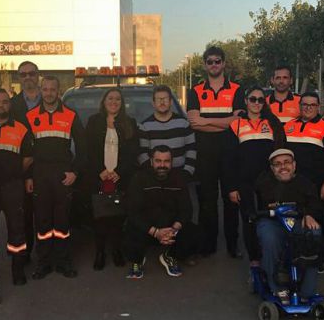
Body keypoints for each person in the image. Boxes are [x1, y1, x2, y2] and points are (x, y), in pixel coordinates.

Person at [25, 75, 86, 279]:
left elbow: (84, 147)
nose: (49, 93)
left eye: (53, 89)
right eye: (45, 89)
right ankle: (43, 262)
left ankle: (63, 261)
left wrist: (75, 172)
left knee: (62, 222)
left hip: (63, 174)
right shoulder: (30, 116)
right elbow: (25, 151)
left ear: (58, 91)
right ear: (41, 90)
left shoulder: (70, 115)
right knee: (42, 222)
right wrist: (28, 177)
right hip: (40, 174)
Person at [186, 45, 245, 257]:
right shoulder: (195, 91)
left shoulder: (238, 90)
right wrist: (224, 121)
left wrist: (206, 120)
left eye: (217, 61)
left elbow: (238, 121)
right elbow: (194, 124)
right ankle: (208, 244)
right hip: (205, 155)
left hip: (230, 153)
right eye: (210, 61)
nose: (214, 64)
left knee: (232, 200)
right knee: (206, 201)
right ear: (205, 65)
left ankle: (232, 245)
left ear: (223, 63)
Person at [222, 85, 285, 268]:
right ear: (246, 101)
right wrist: (232, 188)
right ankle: (255, 259)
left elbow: (280, 152)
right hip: (245, 182)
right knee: (249, 219)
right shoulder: (236, 125)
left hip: (269, 182)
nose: (256, 103)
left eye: (260, 100)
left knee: (271, 218)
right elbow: (228, 160)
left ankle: (272, 254)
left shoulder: (272, 123)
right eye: (253, 99)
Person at [0, 88, 34, 285]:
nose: (1, 105)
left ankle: (18, 270)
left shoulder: (21, 129)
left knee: (17, 229)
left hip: (13, 186)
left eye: (5, 102)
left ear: (9, 105)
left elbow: (28, 157)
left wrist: (13, 172)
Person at [254, 148, 322, 303]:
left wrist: (309, 214)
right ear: (272, 168)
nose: (283, 167)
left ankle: (307, 291)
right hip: (272, 222)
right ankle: (277, 288)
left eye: (287, 163)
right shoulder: (263, 183)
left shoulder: (305, 183)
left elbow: (315, 204)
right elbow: (254, 208)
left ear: (294, 165)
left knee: (314, 233)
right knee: (269, 238)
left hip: (298, 221)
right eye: (277, 164)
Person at [282, 91, 324, 273]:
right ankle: (296, 256)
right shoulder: (289, 126)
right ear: (300, 106)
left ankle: (318, 259)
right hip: (293, 185)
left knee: (319, 221)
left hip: (318, 186)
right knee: (294, 220)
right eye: (304, 104)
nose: (308, 108)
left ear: (318, 107)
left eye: (312, 105)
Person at [123, 146, 199, 279]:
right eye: (158, 161)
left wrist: (174, 229)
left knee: (195, 234)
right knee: (130, 229)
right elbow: (132, 211)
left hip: (171, 227)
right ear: (151, 161)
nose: (162, 165)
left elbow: (187, 210)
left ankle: (169, 256)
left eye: (166, 161)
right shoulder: (139, 178)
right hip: (147, 228)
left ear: (172, 162)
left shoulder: (179, 179)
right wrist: (155, 232)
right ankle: (137, 260)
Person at [84, 88, 139, 270]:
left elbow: (133, 153)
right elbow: (88, 150)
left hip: (119, 178)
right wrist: (99, 170)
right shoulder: (94, 122)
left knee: (117, 217)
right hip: (99, 177)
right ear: (104, 101)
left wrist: (119, 172)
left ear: (122, 103)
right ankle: (100, 253)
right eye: (110, 98)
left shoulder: (129, 123)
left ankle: (117, 250)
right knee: (99, 218)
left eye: (117, 99)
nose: (113, 102)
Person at [10, 61, 41, 261]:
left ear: (37, 75)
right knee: (24, 215)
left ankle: (47, 254)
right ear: (19, 78)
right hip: (22, 167)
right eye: (23, 74)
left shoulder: (52, 100)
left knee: (47, 214)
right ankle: (26, 253)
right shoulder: (12, 105)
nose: (27, 77)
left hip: (49, 167)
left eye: (31, 73)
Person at [137, 85, 196, 179]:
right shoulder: (144, 127)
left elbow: (192, 150)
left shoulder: (184, 124)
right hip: (154, 178)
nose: (162, 102)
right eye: (158, 99)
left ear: (171, 102)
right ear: (153, 103)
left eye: (165, 99)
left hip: (181, 177)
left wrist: (187, 172)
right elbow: (142, 154)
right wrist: (152, 174)